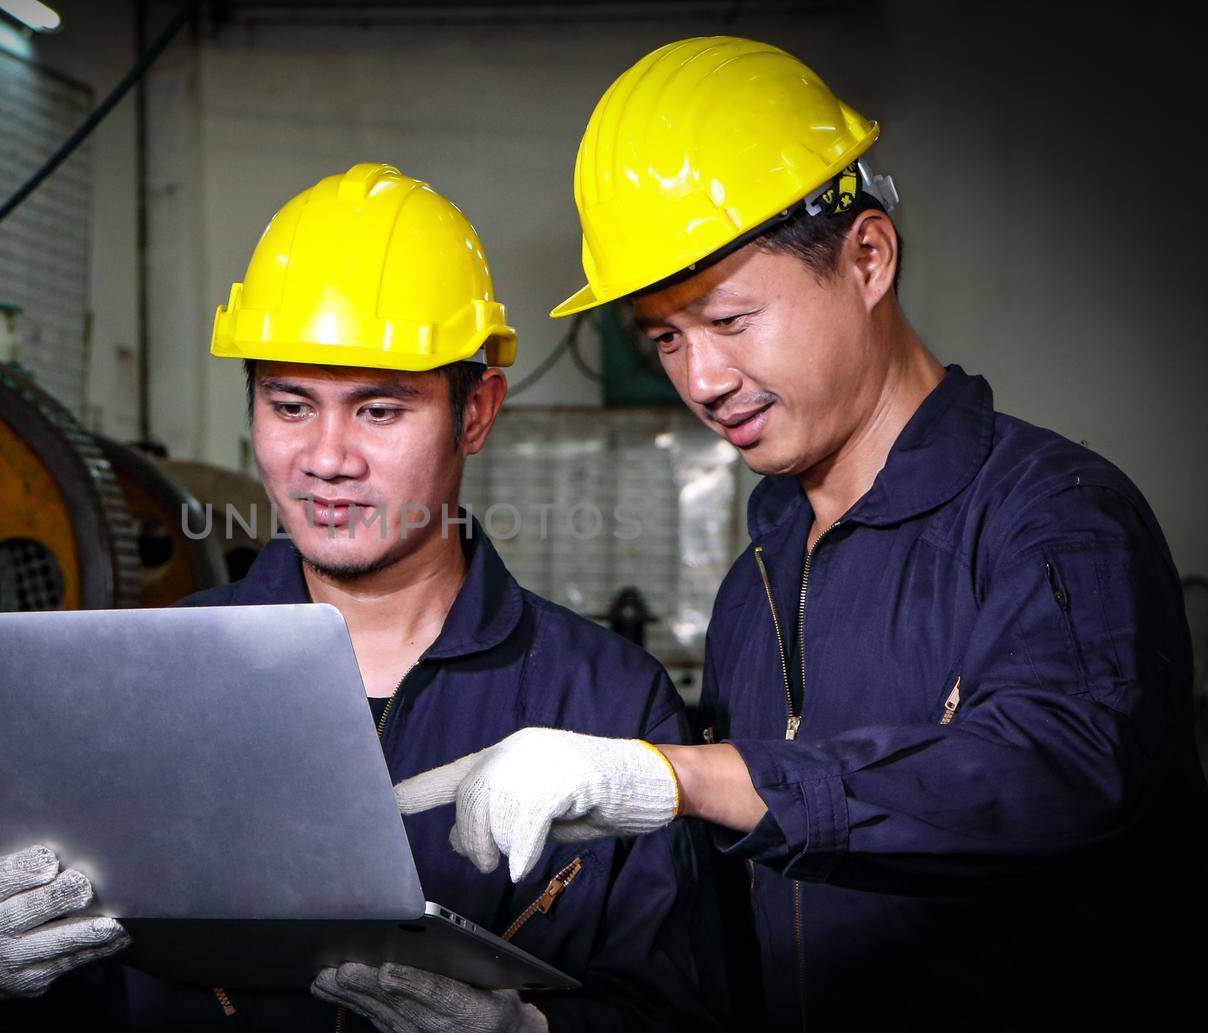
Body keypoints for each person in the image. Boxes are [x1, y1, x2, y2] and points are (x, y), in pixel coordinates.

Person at [395, 37, 1208, 1031]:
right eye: (665, 337)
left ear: (867, 257)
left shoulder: (1050, 514)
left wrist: (682, 776)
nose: (699, 380)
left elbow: (1054, 770)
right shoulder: (759, 583)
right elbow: (741, 937)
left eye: (729, 319)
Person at [0, 163, 726, 1032]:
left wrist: (526, 1032)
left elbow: (683, 1009)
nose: (327, 456)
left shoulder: (605, 702)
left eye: (379, 410)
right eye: (291, 404)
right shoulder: (128, 683)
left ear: (477, 411)